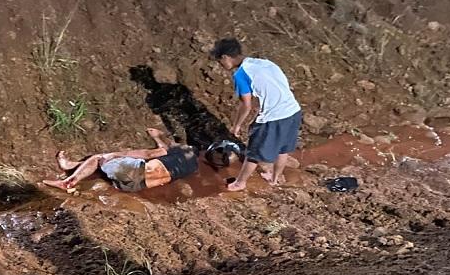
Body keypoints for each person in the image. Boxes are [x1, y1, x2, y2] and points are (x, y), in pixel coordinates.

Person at [211, 38, 302, 191]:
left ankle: (240, 183)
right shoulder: (264, 63)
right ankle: (274, 179)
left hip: (274, 117)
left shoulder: (240, 75)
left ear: (225, 57)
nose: (222, 66)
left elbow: (246, 105)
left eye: (220, 62)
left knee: (253, 152)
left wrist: (237, 125)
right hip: (293, 110)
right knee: (283, 149)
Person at [43, 128, 199, 192]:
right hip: (137, 187)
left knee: (101, 158)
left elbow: (150, 154)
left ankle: (68, 182)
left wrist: (117, 154)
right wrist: (158, 137)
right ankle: (73, 167)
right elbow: (164, 152)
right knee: (107, 169)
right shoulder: (192, 166)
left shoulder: (182, 149)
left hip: (136, 172)